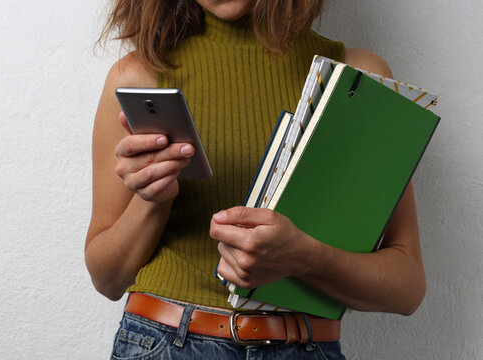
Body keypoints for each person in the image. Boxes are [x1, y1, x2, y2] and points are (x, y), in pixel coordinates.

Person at [85, 0, 426, 358]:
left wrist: (304, 258)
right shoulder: (138, 76)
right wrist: (153, 198)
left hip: (305, 346)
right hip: (165, 342)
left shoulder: (358, 78)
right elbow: (107, 279)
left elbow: (408, 288)